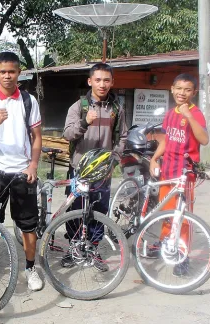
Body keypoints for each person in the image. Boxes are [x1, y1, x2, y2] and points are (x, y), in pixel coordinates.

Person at [0, 51, 44, 292]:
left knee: (28, 224)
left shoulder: (28, 101)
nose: (7, 76)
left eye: (11, 72)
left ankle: (30, 268)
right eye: (2, 72)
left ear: (19, 73)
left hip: (21, 172)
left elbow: (37, 137)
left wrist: (33, 164)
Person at [62, 63, 127, 272]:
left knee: (99, 211)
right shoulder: (78, 106)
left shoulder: (117, 109)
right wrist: (84, 122)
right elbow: (68, 134)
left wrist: (113, 160)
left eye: (106, 80)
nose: (102, 84)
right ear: (90, 81)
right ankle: (74, 249)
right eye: (98, 80)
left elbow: (122, 137)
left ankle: (93, 249)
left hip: (103, 172)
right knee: (76, 210)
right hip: (79, 170)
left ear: (112, 82)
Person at [148, 73, 208, 276]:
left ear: (194, 92)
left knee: (182, 217)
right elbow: (165, 140)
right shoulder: (170, 113)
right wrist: (155, 158)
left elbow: (204, 139)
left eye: (187, 89)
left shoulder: (195, 113)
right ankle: (165, 244)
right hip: (168, 172)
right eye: (179, 88)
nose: (182, 93)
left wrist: (189, 116)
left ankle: (182, 255)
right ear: (172, 89)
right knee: (166, 212)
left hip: (185, 174)